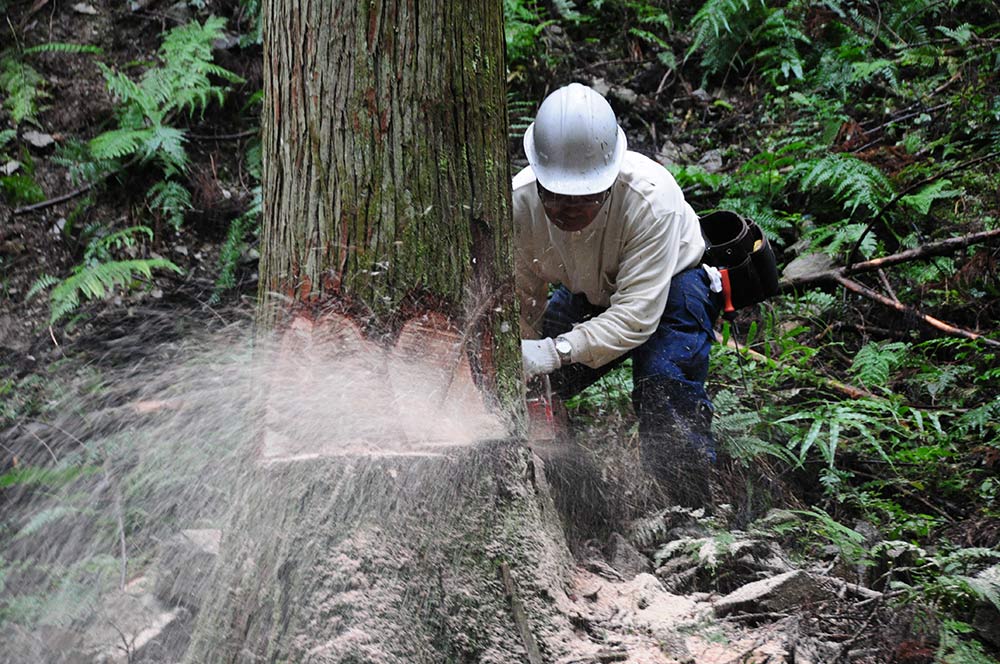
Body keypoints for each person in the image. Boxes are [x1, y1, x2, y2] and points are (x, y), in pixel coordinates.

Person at [513, 82, 721, 507]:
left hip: (669, 288)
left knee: (665, 390)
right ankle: (566, 490)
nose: (567, 211)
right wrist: (525, 353)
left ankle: (694, 515)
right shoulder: (520, 205)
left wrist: (555, 351)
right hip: (589, 292)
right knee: (532, 385)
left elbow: (635, 317)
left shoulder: (649, 201)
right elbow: (522, 294)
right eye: (555, 198)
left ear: (606, 184)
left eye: (582, 201)